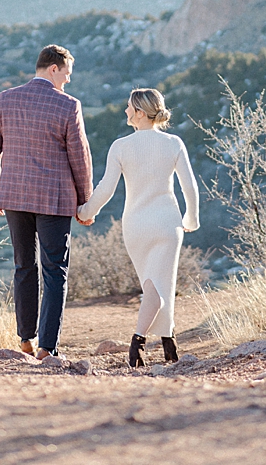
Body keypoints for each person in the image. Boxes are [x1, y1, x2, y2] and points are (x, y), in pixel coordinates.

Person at [0, 44, 93, 360]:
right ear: (54, 68)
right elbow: (80, 159)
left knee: (23, 266)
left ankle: (25, 340)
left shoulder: (6, 99)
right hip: (54, 200)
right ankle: (47, 347)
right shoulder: (68, 106)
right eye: (67, 74)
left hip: (14, 196)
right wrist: (85, 203)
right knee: (54, 270)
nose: (68, 81)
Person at [76, 88, 199, 366]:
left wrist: (85, 211)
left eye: (129, 107)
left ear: (141, 113)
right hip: (168, 222)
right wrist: (192, 218)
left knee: (154, 284)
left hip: (136, 225)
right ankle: (149, 342)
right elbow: (188, 186)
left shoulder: (120, 146)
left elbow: (106, 189)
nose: (125, 111)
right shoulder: (173, 142)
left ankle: (155, 342)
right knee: (161, 284)